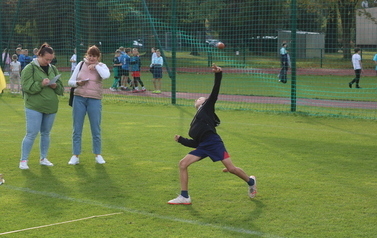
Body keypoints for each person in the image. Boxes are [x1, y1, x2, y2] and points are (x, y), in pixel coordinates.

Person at [167, 64, 257, 205]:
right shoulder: (196, 120)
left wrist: (218, 74)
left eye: (201, 98)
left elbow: (214, 93)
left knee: (231, 169)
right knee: (183, 164)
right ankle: (184, 196)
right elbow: (196, 143)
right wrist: (181, 140)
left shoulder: (206, 108)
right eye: (198, 98)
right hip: (203, 146)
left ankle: (251, 181)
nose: (199, 99)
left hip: (214, 143)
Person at [19, 43, 64, 169]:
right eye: (46, 59)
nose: (48, 62)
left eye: (51, 59)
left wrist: (55, 86)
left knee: (46, 133)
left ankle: (43, 158)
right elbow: (27, 88)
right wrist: (41, 84)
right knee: (31, 133)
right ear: (39, 55)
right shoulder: (29, 68)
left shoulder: (53, 69)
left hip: (50, 107)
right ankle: (23, 160)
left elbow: (60, 90)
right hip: (34, 106)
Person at [67, 45, 110, 165]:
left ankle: (98, 154)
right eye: (90, 55)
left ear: (98, 57)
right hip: (79, 98)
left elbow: (106, 76)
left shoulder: (102, 66)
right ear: (87, 55)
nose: (91, 58)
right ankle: (75, 155)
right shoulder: (80, 64)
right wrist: (78, 83)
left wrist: (96, 66)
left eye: (94, 56)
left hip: (94, 100)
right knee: (77, 128)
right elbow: (70, 81)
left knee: (96, 128)